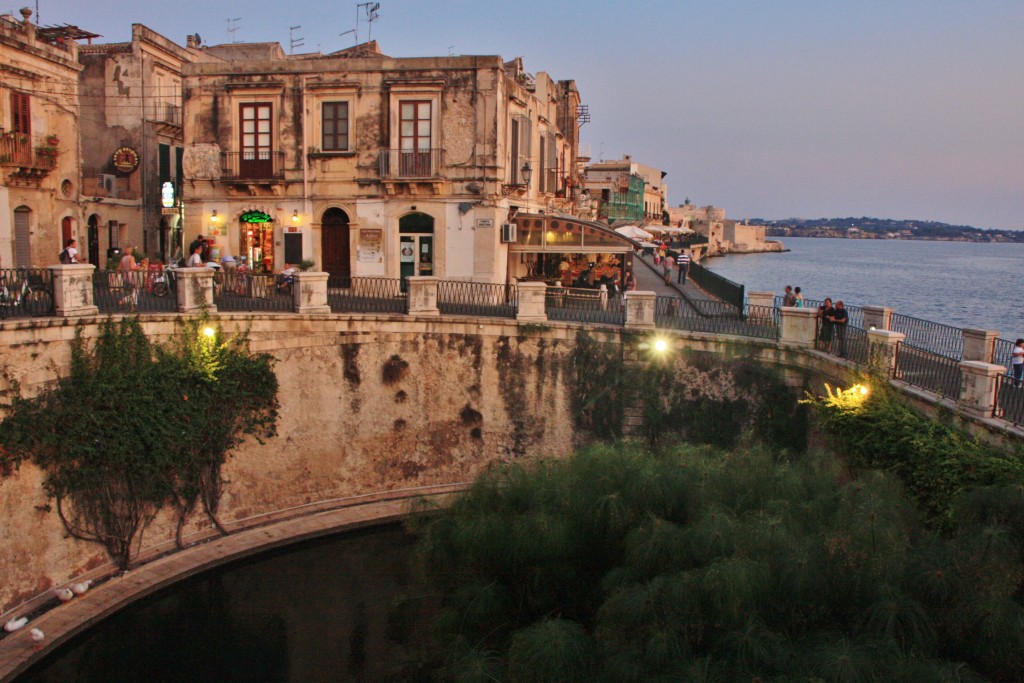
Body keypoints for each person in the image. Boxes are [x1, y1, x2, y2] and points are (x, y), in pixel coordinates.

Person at [117, 246, 141, 311]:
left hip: (125, 276)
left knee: (131, 292)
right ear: (131, 251)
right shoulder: (131, 258)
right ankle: (123, 301)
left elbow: (119, 268)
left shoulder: (123, 258)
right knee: (136, 291)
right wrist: (138, 267)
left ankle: (132, 307)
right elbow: (132, 267)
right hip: (132, 276)